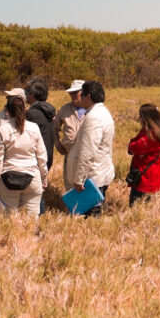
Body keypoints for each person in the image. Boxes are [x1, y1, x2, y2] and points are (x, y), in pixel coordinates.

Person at [0, 90, 48, 216]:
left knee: (9, 219)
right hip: (33, 177)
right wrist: (44, 177)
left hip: (8, 179)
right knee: (32, 219)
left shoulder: (3, 130)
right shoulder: (34, 128)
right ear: (25, 110)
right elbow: (42, 156)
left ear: (8, 112)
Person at [71, 80, 115, 216]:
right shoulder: (104, 112)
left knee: (90, 215)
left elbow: (88, 151)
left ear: (88, 96)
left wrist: (79, 179)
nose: (79, 99)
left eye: (81, 95)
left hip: (93, 177)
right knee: (94, 213)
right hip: (100, 172)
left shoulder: (94, 117)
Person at [127, 104, 160, 206]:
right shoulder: (154, 132)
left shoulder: (150, 135)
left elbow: (132, 147)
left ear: (147, 118)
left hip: (144, 178)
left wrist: (134, 147)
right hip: (150, 176)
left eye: (141, 116)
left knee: (136, 205)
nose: (139, 118)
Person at [52, 80, 87, 189]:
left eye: (75, 92)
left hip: (87, 154)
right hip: (70, 153)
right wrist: (57, 143)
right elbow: (54, 127)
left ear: (83, 92)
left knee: (86, 183)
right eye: (71, 93)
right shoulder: (64, 109)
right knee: (70, 183)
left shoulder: (91, 109)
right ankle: (72, 206)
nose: (72, 95)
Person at [24, 78, 56, 172]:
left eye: (27, 92)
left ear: (33, 94)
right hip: (47, 158)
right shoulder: (47, 110)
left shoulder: (33, 114)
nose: (25, 95)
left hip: (36, 162)